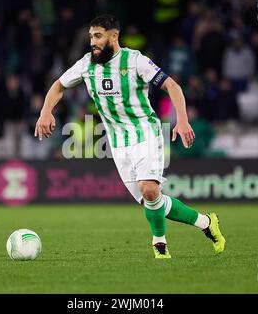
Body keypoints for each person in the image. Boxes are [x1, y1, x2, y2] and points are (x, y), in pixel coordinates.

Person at [34, 15, 225, 259]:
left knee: (149, 189)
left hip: (145, 131)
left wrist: (183, 120)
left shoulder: (135, 61)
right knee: (152, 202)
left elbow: (172, 86)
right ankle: (206, 223)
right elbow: (58, 85)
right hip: (117, 142)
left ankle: (159, 244)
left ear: (114, 36)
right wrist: (45, 112)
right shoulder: (85, 64)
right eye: (91, 36)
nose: (93, 41)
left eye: (98, 36)